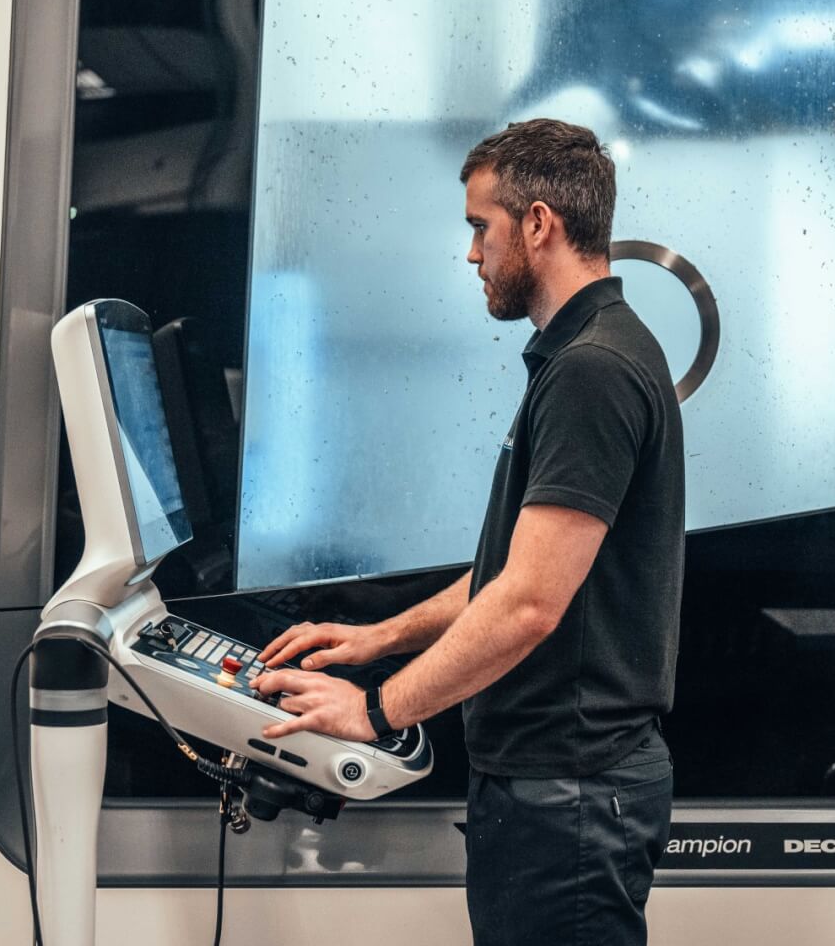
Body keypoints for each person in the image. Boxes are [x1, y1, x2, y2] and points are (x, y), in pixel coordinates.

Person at [250, 118, 685, 946]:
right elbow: (514, 571)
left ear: (537, 224)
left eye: (479, 227)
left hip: (571, 800)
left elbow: (527, 605)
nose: (472, 253)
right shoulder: (584, 356)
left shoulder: (592, 370)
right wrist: (381, 635)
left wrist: (372, 712)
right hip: (560, 792)